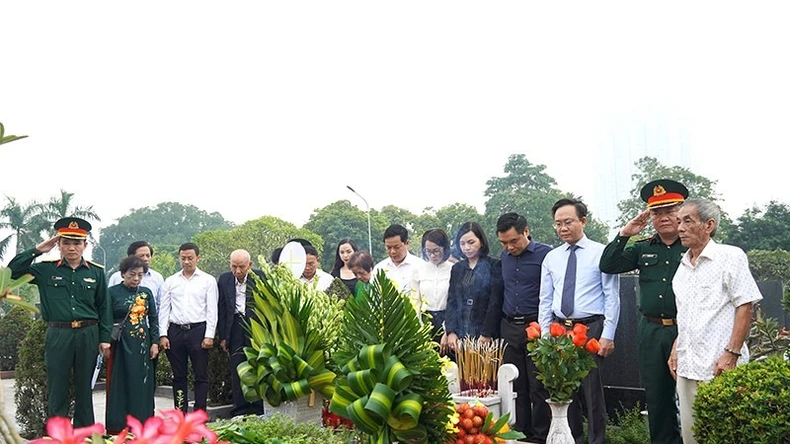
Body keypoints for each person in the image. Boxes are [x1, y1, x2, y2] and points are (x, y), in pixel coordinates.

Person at [599, 179, 688, 444]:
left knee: (691, 393)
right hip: (651, 330)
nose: (664, 217)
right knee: (658, 397)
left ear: (682, 211)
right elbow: (609, 264)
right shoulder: (643, 247)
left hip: (686, 329)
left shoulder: (693, 246)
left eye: (670, 210)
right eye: (657, 213)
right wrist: (625, 233)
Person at [668, 198, 762, 444]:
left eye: (687, 221)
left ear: (709, 225)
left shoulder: (730, 257)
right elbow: (685, 314)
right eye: (679, 222)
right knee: (691, 436)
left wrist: (732, 353)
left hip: (720, 366)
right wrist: (676, 348)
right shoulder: (682, 267)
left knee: (725, 435)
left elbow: (745, 305)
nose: (680, 228)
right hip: (687, 366)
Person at [8, 217, 111, 426]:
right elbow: (13, 270)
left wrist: (105, 338)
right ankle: (57, 433)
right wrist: (38, 250)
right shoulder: (45, 270)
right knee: (57, 385)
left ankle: (84, 433)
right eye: (66, 242)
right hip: (58, 334)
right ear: (59, 245)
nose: (72, 248)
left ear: (85, 245)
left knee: (85, 386)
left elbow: (104, 307)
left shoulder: (96, 272)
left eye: (77, 243)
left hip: (88, 333)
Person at [538, 198, 620, 444]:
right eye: (558, 224)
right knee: (564, 388)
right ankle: (571, 438)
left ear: (583, 221)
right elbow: (545, 299)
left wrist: (608, 334)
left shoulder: (601, 253)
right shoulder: (552, 257)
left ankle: (596, 440)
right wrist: (545, 336)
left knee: (592, 390)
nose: (563, 228)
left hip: (590, 327)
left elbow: (611, 296)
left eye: (568, 222)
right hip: (560, 328)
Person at [494, 212, 552, 441]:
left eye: (513, 241)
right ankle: (521, 433)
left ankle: (540, 435)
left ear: (526, 231)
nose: (509, 247)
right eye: (504, 243)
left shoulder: (546, 255)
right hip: (509, 326)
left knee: (538, 384)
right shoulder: (504, 257)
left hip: (536, 325)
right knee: (515, 384)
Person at [158, 242, 218, 413]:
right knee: (178, 376)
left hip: (198, 331)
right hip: (175, 331)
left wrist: (209, 335)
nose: (186, 262)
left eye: (190, 258)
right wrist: (163, 334)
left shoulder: (207, 280)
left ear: (198, 258)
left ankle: (199, 414)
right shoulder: (171, 281)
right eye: (183, 258)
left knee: (201, 375)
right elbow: (164, 309)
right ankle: (180, 414)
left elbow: (212, 310)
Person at [105, 255, 159, 433]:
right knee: (120, 382)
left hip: (142, 345)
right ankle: (118, 425)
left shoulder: (146, 293)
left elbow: (153, 319)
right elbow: (105, 319)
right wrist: (104, 343)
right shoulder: (112, 292)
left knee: (142, 383)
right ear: (122, 274)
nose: (136, 278)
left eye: (140, 275)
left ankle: (143, 423)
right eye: (132, 274)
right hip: (120, 345)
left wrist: (155, 343)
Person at [217, 249, 264, 417]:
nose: (237, 271)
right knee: (237, 367)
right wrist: (223, 336)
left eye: (242, 267)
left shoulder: (260, 277)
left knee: (257, 366)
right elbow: (222, 308)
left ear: (249, 265)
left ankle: (258, 408)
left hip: (255, 326)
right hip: (234, 326)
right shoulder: (224, 279)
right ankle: (239, 409)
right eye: (234, 266)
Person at [443, 222, 502, 354]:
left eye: (471, 242)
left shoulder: (494, 266)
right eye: (462, 243)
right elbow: (452, 301)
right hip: (461, 333)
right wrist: (451, 332)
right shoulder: (457, 268)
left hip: (485, 334)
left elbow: (495, 303)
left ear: (481, 242)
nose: (467, 248)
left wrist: (487, 333)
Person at [414, 229, 453, 341]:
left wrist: (448, 329)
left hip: (447, 319)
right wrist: (419, 327)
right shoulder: (419, 270)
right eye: (428, 251)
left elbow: (456, 303)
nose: (432, 255)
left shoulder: (453, 269)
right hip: (425, 321)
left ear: (444, 248)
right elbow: (416, 301)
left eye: (436, 251)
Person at [372, 224, 426, 300]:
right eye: (388, 248)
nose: (392, 251)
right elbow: (373, 297)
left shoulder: (421, 266)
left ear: (407, 243)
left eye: (396, 247)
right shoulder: (379, 269)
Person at [108, 240, 165, 308]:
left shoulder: (157, 277)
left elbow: (161, 303)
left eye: (148, 256)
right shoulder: (116, 277)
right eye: (141, 256)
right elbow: (108, 302)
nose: (145, 259)